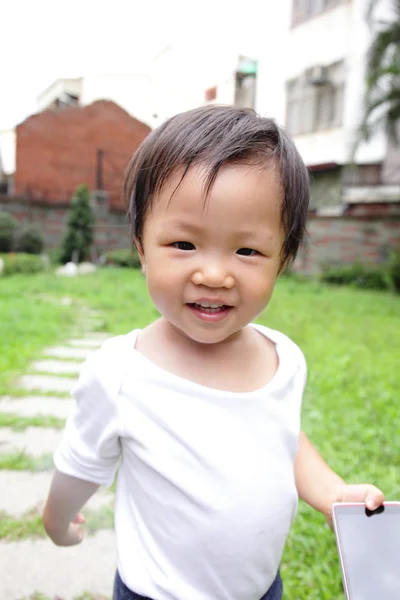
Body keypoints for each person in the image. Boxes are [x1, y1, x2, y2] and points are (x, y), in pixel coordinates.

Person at [42, 105, 384, 600]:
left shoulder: (281, 358)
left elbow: (283, 437)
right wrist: (57, 523)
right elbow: (79, 465)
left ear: (282, 260)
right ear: (141, 246)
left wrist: (332, 493)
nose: (214, 274)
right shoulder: (121, 373)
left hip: (262, 589)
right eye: (183, 243)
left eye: (247, 251)